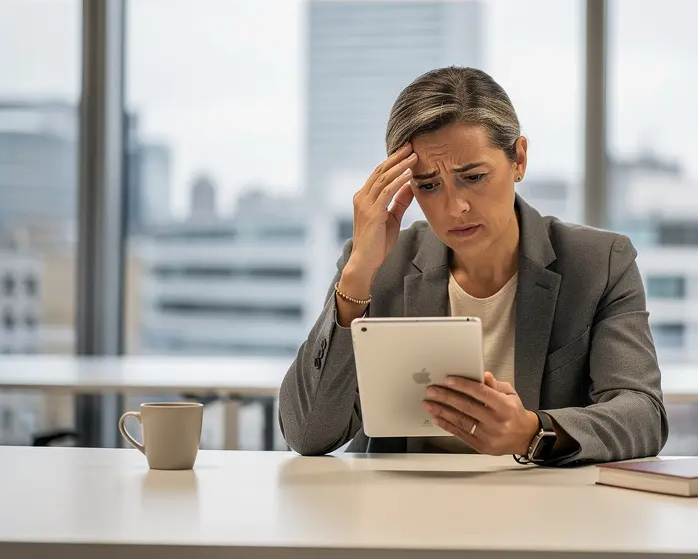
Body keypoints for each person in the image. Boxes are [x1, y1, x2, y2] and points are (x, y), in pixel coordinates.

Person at [279, 66, 667, 466]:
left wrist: (531, 432)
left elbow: (643, 416)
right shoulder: (378, 267)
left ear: (518, 159)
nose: (455, 207)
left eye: (474, 177)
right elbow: (307, 434)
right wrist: (357, 277)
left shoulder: (600, 263)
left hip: (541, 499)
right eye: (428, 185)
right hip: (400, 499)